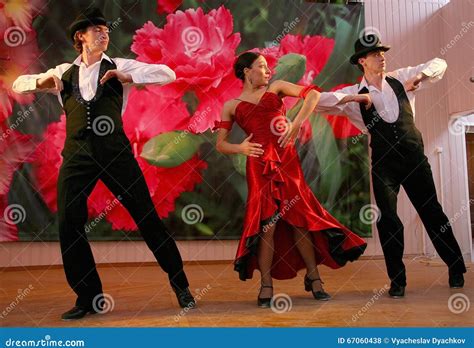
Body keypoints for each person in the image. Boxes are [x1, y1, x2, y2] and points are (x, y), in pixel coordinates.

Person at [13, 7, 195, 320]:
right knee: (69, 223)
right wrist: (39, 83)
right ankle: (88, 297)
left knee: (147, 217)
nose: (104, 33)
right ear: (80, 37)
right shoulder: (61, 73)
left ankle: (180, 284)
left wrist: (129, 76)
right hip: (77, 155)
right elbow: (18, 84)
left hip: (115, 153)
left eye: (106, 30)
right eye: (97, 30)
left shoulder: (119, 65)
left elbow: (168, 73)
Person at [214, 51, 370, 307]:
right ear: (246, 71)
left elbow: (313, 94)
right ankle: (266, 285)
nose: (268, 71)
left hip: (287, 162)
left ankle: (314, 277)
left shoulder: (276, 89)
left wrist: (297, 124)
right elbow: (220, 144)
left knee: (300, 219)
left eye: (267, 67)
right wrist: (240, 149)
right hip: (258, 166)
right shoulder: (230, 106)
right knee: (267, 227)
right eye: (262, 67)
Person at [317, 34, 467, 298]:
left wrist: (420, 78)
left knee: (432, 212)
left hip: (413, 159)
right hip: (384, 164)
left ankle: (456, 267)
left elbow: (440, 63)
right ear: (362, 61)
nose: (382, 57)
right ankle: (397, 281)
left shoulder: (401, 77)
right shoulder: (355, 93)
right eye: (376, 54)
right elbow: (320, 102)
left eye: (383, 53)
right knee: (388, 220)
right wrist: (348, 100)